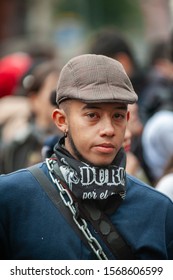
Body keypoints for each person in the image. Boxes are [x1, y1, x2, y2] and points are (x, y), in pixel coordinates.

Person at [0, 54, 173, 260]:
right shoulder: (11, 198)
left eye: (117, 116)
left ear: (127, 119)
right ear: (61, 120)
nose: (108, 129)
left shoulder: (158, 210)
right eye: (93, 115)